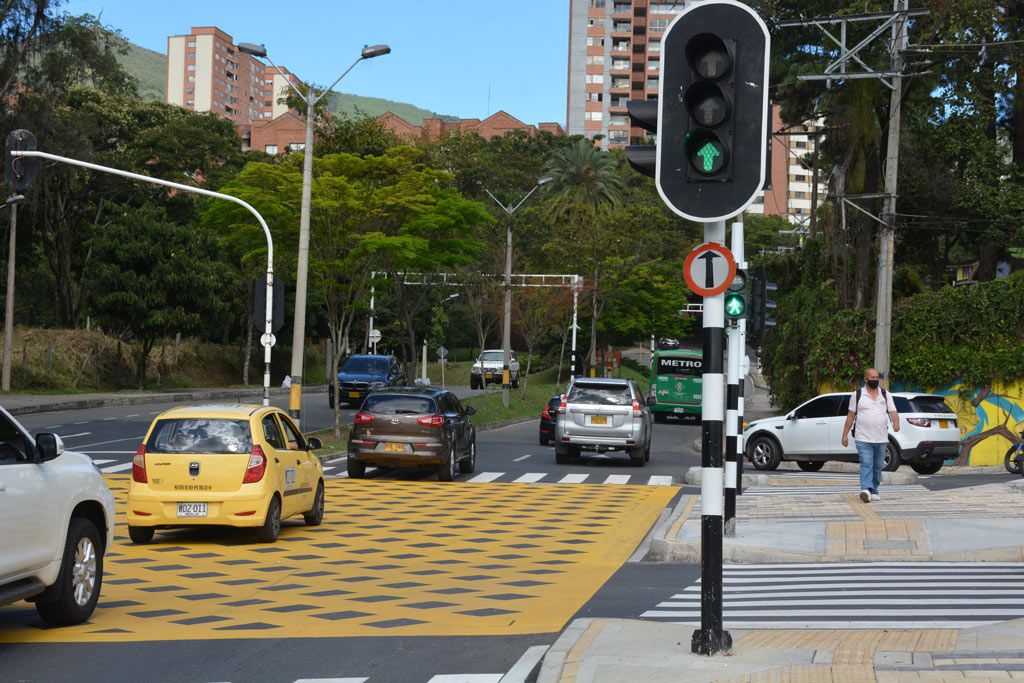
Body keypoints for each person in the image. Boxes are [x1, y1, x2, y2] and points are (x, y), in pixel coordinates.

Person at [841, 367, 900, 503]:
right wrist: (844, 435)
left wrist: (896, 423)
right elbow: (850, 416)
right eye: (872, 378)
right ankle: (866, 489)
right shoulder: (857, 395)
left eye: (877, 377)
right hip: (863, 437)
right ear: (865, 379)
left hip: (881, 437)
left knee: (878, 465)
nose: (875, 380)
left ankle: (874, 490)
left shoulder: (885, 394)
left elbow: (893, 412)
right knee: (866, 463)